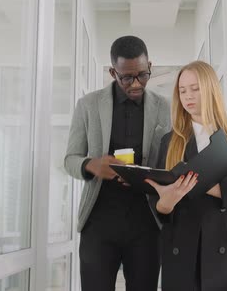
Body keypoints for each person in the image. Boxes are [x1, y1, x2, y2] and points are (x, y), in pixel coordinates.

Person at [145, 61, 227, 291]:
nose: (188, 96)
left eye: (195, 88)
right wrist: (166, 202)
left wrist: (194, 182)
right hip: (184, 247)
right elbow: (157, 201)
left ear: (210, 88)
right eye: (182, 91)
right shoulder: (169, 141)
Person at [64, 35, 171, 291]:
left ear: (150, 67)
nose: (136, 84)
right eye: (127, 77)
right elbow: (70, 159)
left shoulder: (164, 107)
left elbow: (169, 160)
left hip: (146, 224)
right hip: (99, 224)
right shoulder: (88, 105)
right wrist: (92, 165)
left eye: (143, 75)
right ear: (113, 72)